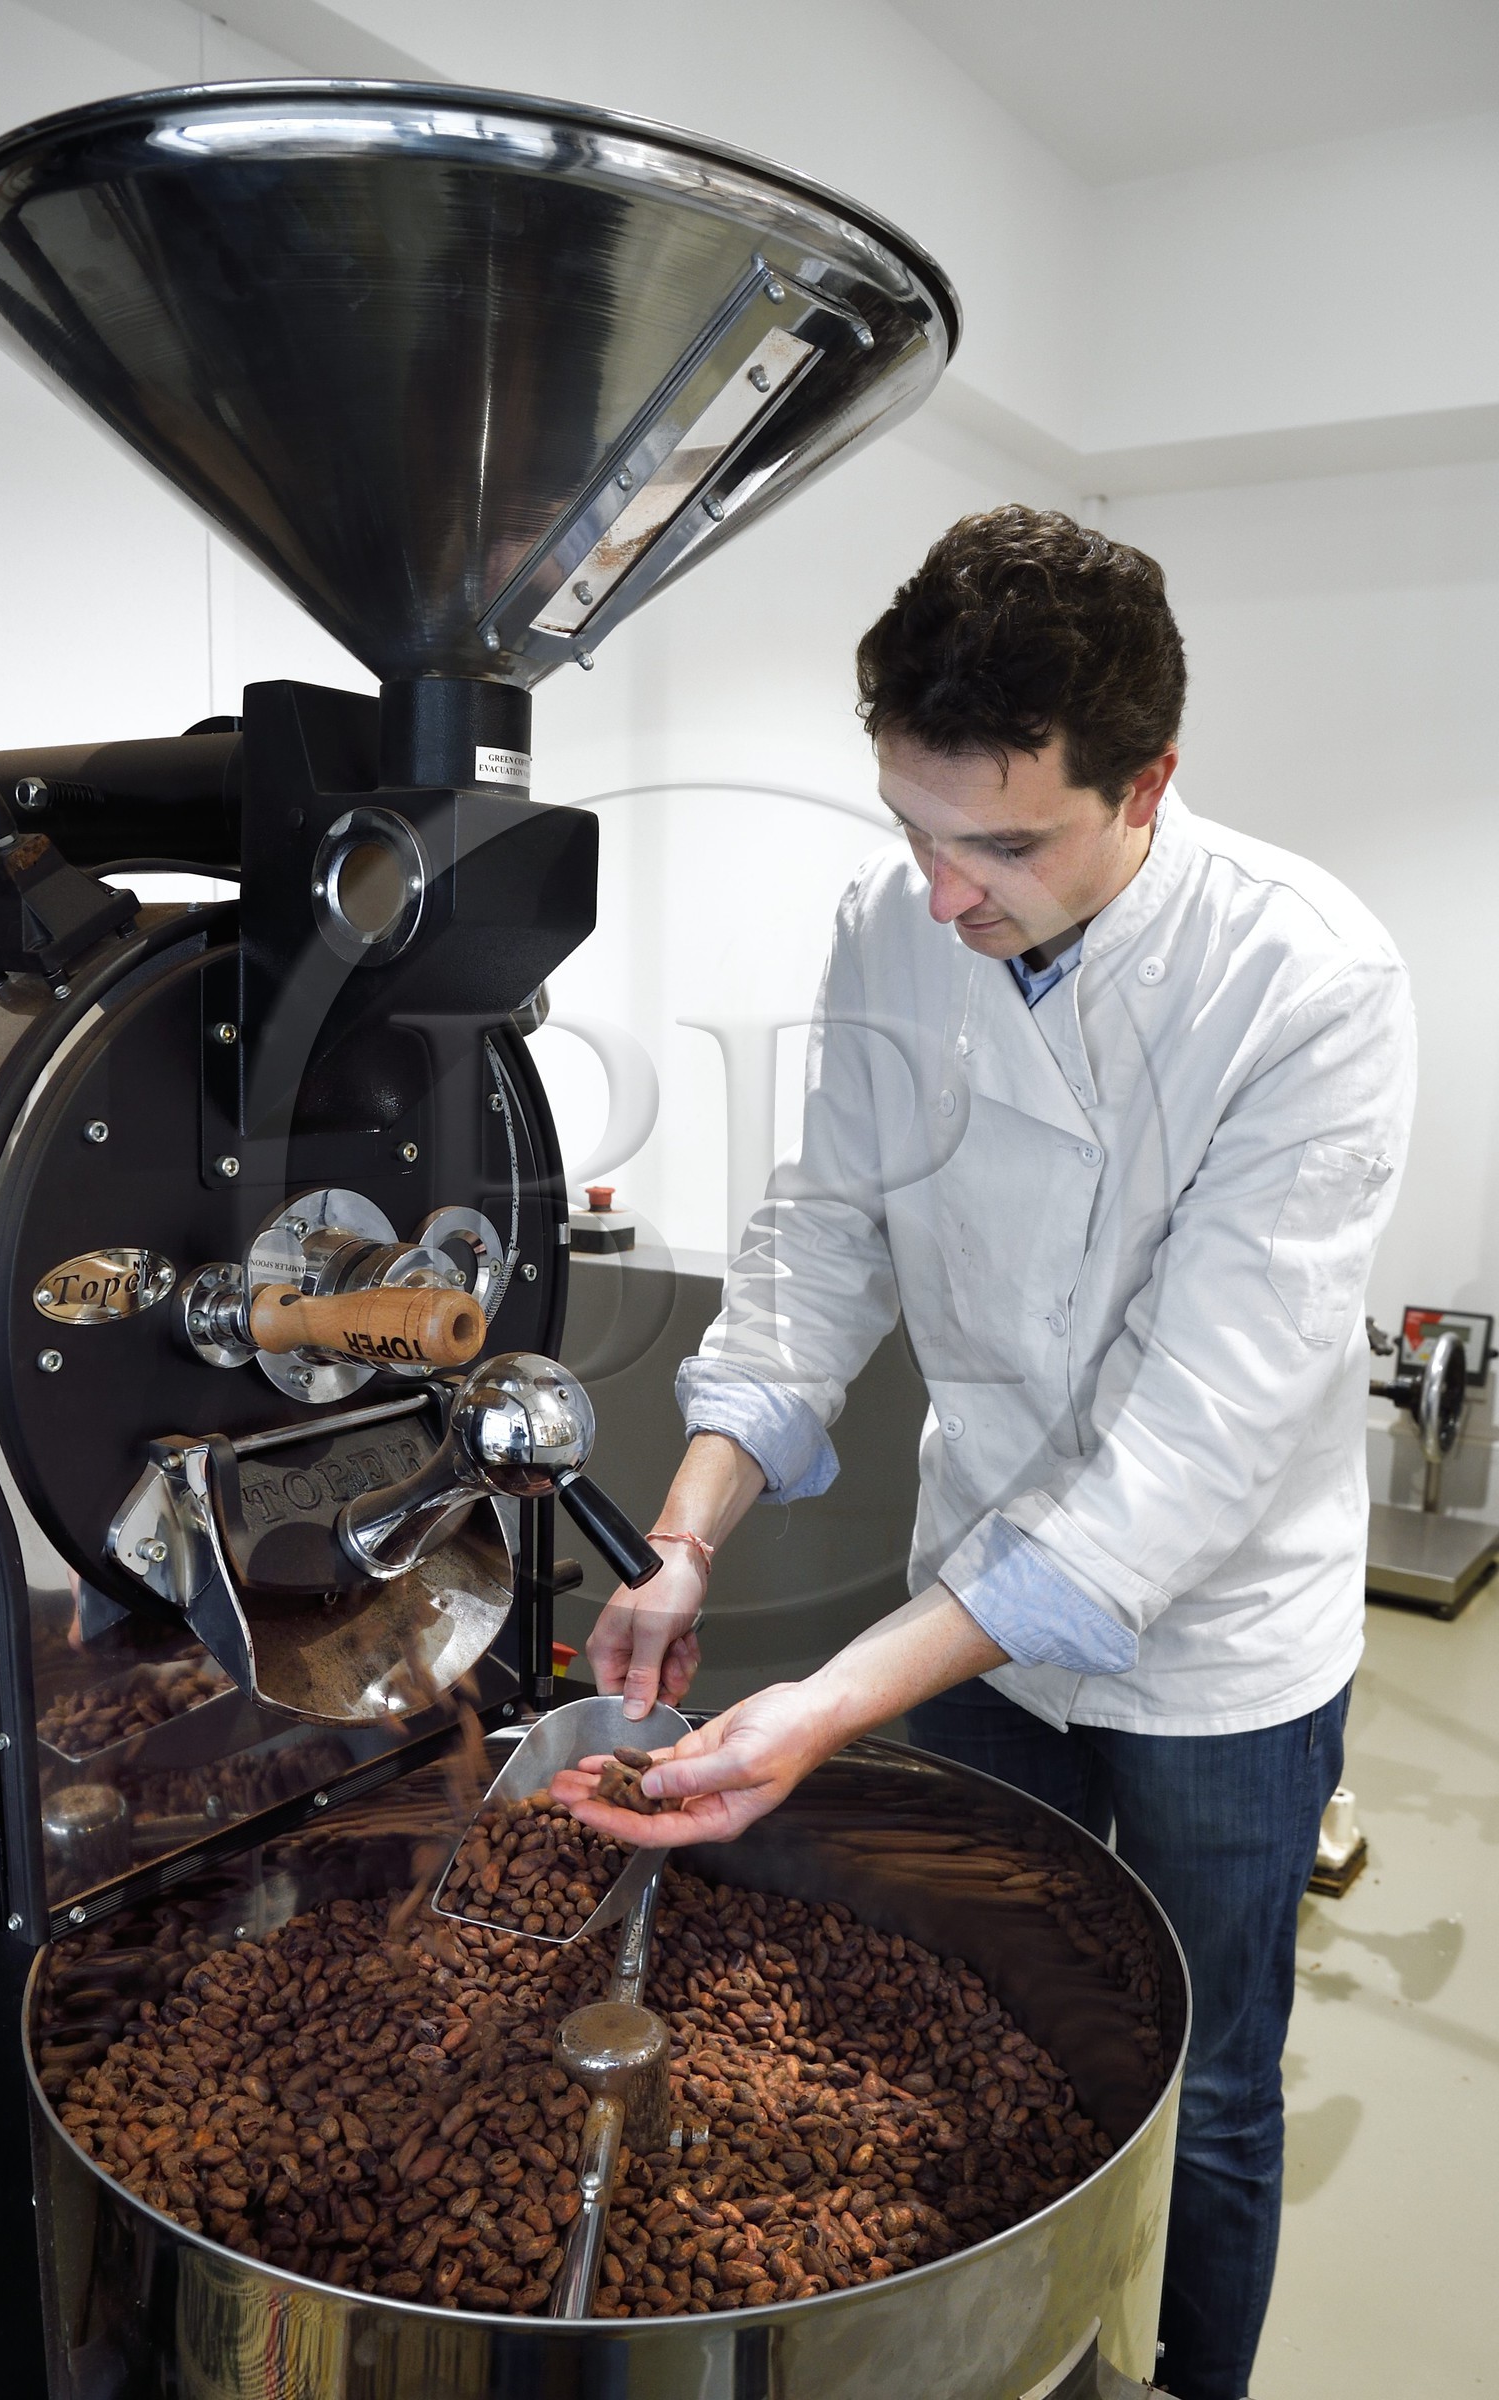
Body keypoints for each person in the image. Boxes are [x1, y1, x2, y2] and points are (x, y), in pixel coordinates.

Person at [552, 506, 1415, 2400]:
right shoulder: (900, 920)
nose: (944, 893)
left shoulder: (1307, 988)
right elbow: (821, 1240)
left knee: (1209, 2078)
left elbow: (1183, 1462)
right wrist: (689, 1534)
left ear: (1150, 784)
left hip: (1218, 1660)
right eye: (913, 829)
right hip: (975, 1588)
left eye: (1006, 845)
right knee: (967, 2017)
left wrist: (822, 1709)